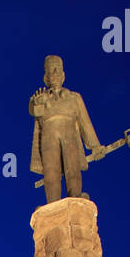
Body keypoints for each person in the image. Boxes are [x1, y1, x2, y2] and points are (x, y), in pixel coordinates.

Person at [29, 54, 104, 204]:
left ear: (63, 75)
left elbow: (85, 123)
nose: (54, 74)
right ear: (46, 78)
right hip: (48, 137)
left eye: (57, 70)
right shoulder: (41, 97)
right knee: (51, 172)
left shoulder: (74, 97)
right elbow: (34, 111)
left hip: (69, 135)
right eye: (51, 71)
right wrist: (36, 104)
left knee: (72, 168)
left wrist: (95, 146)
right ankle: (52, 204)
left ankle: (76, 196)